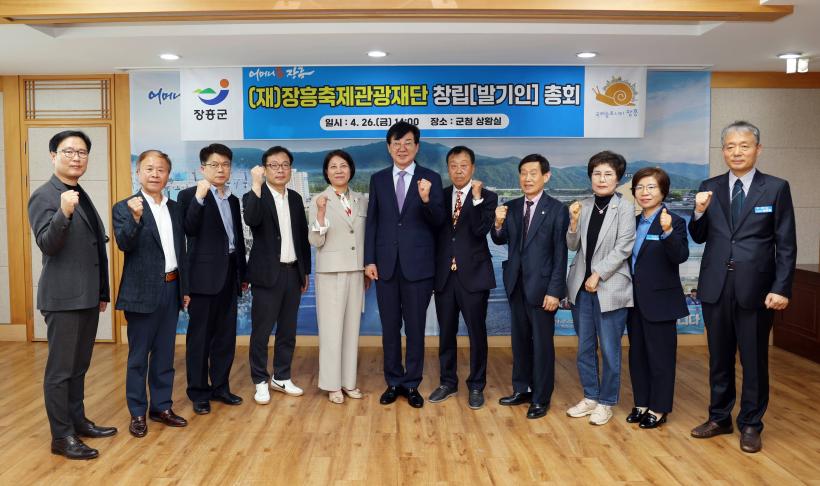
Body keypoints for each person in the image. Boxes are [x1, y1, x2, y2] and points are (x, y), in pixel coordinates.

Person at [688, 121, 796, 453]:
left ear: (757, 149)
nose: (737, 152)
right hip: (716, 286)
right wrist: (698, 212)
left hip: (757, 288)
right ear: (723, 151)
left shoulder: (775, 188)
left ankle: (751, 424)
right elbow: (698, 236)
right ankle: (719, 418)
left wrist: (781, 287)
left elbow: (786, 243)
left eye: (744, 145)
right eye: (730, 146)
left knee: (753, 359)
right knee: (719, 358)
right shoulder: (709, 187)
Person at [28, 130, 116, 460]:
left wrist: (102, 291)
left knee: (79, 366)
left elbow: (96, 247)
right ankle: (61, 436)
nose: (76, 157)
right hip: (63, 298)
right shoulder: (45, 196)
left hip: (87, 296)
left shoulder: (79, 192)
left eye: (82, 152)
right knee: (60, 371)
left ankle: (77, 421)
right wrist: (63, 213)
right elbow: (48, 244)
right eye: (68, 151)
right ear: (53, 156)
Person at [364, 121, 446, 408]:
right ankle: (393, 381)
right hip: (386, 266)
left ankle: (412, 384)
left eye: (408, 143)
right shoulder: (378, 179)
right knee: (389, 328)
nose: (402, 148)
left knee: (415, 328)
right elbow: (373, 222)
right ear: (389, 148)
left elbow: (439, 221)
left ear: (417, 147)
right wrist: (369, 260)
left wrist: (426, 200)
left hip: (418, 267)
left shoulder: (431, 178)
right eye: (396, 143)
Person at [113, 150, 189, 437]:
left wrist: (185, 288)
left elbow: (181, 251)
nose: (155, 174)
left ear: (168, 174)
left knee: (165, 354)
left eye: (161, 169)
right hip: (141, 293)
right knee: (138, 357)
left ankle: (161, 407)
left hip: (172, 286)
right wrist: (135, 218)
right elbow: (124, 244)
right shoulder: (124, 207)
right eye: (149, 169)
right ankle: (137, 412)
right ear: (138, 172)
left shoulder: (175, 208)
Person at [491, 154, 568, 419]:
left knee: (542, 346)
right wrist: (497, 224)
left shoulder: (557, 209)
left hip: (543, 289)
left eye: (533, 173)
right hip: (516, 285)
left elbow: (561, 254)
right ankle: (521, 389)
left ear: (546, 176)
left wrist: (555, 291)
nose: (527, 178)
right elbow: (499, 240)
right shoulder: (511, 207)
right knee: (520, 341)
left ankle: (541, 397)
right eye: (523, 173)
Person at [565, 151, 636, 426]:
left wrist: (598, 274)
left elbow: (624, 247)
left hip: (610, 287)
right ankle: (590, 396)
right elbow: (572, 245)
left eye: (608, 174)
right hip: (581, 288)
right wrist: (573, 223)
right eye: (597, 173)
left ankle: (606, 402)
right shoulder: (582, 206)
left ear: (618, 178)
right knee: (584, 347)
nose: (602, 179)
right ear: (590, 177)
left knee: (609, 349)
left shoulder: (625, 207)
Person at [177, 143, 248, 415]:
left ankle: (221, 387)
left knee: (225, 337)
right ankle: (198, 392)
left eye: (226, 165)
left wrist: (242, 274)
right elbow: (189, 229)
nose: (221, 169)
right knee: (200, 339)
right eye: (215, 165)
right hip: (202, 278)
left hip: (229, 275)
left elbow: (237, 240)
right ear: (202, 168)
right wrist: (199, 197)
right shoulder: (188, 196)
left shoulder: (233, 199)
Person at [429, 146, 498, 410]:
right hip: (445, 276)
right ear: (448, 168)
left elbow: (481, 230)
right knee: (446, 332)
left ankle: (477, 385)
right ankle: (448, 382)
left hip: (474, 276)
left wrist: (477, 199)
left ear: (473, 168)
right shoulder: (440, 195)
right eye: (454, 165)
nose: (459, 170)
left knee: (477, 333)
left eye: (464, 165)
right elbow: (433, 229)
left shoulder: (488, 197)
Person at [244, 146, 311, 404]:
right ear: (264, 169)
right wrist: (256, 184)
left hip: (292, 272)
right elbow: (251, 219)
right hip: (266, 275)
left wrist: (305, 271)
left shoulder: (295, 198)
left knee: (287, 330)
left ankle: (282, 376)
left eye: (285, 165)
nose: (280, 170)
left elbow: (302, 237)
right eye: (274, 165)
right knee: (261, 332)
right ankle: (260, 380)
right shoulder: (254, 196)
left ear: (290, 169)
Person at [626, 167, 689, 429]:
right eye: (640, 187)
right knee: (637, 355)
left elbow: (680, 256)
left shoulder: (674, 221)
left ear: (663, 191)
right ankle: (641, 403)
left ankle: (659, 407)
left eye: (651, 187)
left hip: (661, 302)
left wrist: (667, 232)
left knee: (661, 357)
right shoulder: (631, 222)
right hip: (633, 300)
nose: (645, 192)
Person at [308, 150, 368, 404]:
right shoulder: (318, 199)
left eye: (343, 165)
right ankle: (332, 385)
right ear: (326, 172)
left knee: (352, 329)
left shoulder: (360, 199)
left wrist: (365, 267)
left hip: (356, 270)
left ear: (351, 169)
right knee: (331, 331)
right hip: (330, 272)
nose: (339, 170)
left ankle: (348, 382)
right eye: (333, 167)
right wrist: (321, 214)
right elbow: (315, 241)